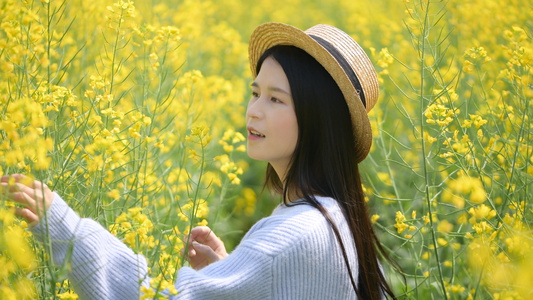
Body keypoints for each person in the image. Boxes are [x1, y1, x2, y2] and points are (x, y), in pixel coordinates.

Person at [1, 22, 396, 299]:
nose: (253, 111)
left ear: (318, 119)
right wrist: (236, 277)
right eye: (255, 92)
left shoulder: (287, 239)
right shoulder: (336, 217)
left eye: (276, 99)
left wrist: (64, 228)